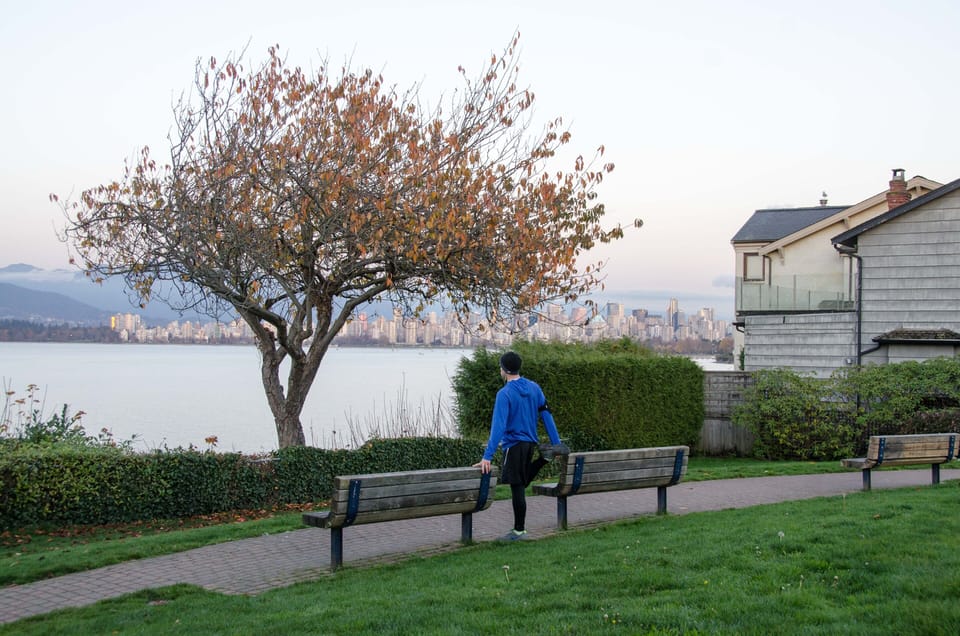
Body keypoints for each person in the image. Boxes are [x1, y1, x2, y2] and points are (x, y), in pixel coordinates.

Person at [474, 351, 569, 541]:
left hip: (513, 444)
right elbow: (546, 415)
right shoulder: (534, 388)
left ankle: (519, 531)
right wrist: (556, 443)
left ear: (504, 370)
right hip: (530, 443)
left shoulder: (504, 394)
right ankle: (544, 458)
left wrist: (487, 456)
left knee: (517, 486)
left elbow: (498, 427)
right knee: (522, 480)